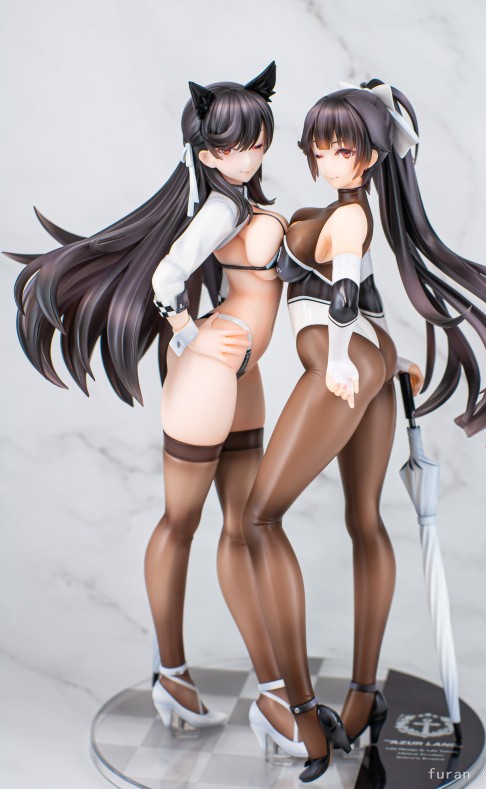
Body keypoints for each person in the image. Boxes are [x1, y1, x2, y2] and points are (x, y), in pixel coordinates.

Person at [9, 63, 307, 757]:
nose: (252, 154)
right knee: (184, 522)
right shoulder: (222, 210)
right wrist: (189, 337)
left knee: (243, 527)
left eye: (259, 140)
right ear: (207, 151)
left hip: (243, 372)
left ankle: (270, 691)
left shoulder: (244, 202)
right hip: (211, 370)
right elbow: (167, 275)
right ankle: (175, 673)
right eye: (238, 145)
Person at [242, 79, 486, 782]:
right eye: (319, 147)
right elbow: (365, 294)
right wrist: (385, 355)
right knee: (364, 520)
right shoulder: (348, 211)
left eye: (341, 149)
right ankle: (364, 694)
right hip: (367, 357)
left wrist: (346, 361)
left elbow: (343, 294)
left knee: (259, 519)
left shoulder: (347, 219)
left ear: (371, 156)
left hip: (339, 362)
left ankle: (304, 718)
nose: (326, 159)